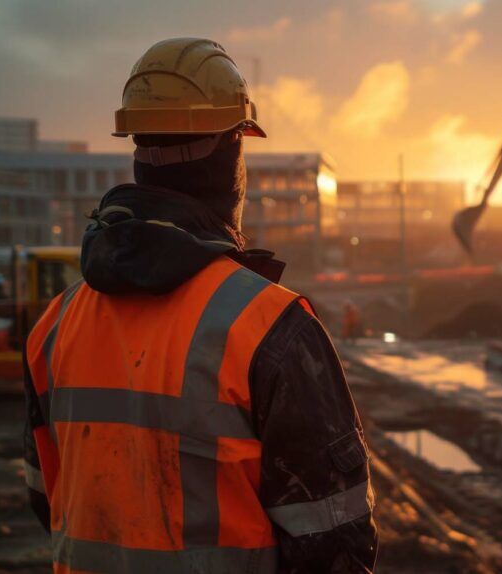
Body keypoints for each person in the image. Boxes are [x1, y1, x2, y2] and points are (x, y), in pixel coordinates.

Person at [22, 38, 376, 573]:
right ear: (233, 152)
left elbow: (46, 496)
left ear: (137, 150)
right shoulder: (270, 328)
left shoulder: (55, 325)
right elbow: (334, 545)